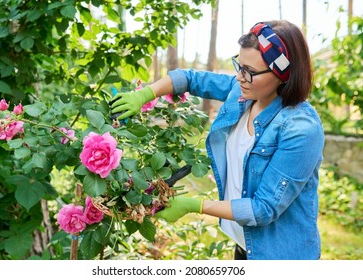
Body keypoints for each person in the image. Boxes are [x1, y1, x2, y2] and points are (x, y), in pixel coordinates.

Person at [109, 20, 325, 260]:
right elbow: (189, 78)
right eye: (239, 66)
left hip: (281, 255)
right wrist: (144, 94)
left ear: (283, 74)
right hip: (246, 246)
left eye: (250, 72)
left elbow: (264, 208)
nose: (241, 77)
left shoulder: (301, 129)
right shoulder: (244, 91)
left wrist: (195, 205)